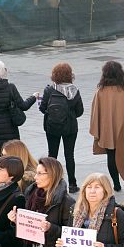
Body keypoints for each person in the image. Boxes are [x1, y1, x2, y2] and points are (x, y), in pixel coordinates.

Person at [39, 62, 84, 193]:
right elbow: (80, 111)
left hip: (52, 127)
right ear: (70, 75)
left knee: (52, 155)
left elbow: (43, 108)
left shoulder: (49, 90)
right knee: (69, 155)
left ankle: (51, 182)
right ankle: (72, 184)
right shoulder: (74, 91)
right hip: (70, 128)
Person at [90, 61, 124, 192]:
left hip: (108, 131)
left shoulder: (100, 92)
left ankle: (116, 184)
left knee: (111, 156)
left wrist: (98, 130)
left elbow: (95, 113)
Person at [0, 60, 37, 151]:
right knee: (11, 152)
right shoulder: (10, 87)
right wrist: (33, 97)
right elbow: (23, 106)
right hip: (10, 128)